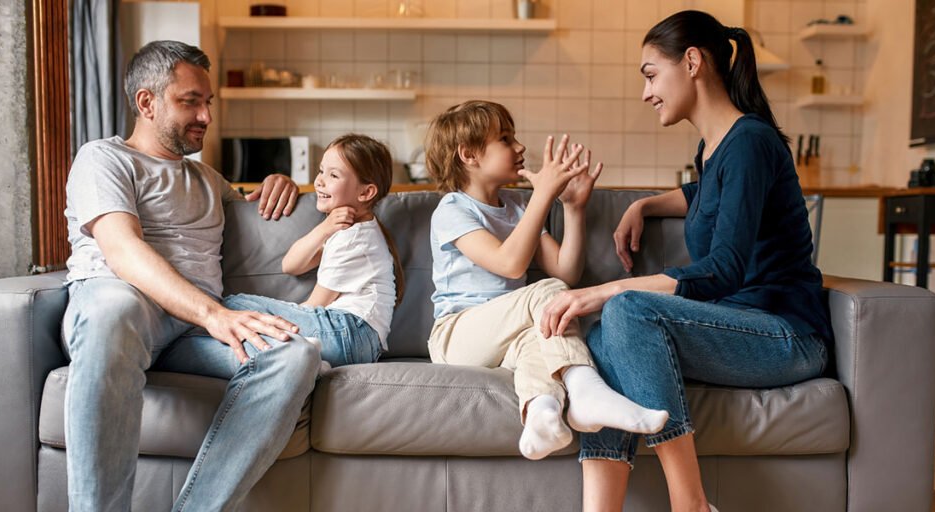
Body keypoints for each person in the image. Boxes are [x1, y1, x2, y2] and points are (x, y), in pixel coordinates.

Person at [540, 11, 832, 512]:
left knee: (628, 309)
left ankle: (691, 503)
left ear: (692, 61)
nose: (646, 92)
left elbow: (724, 270)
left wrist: (604, 290)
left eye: (651, 74)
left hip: (787, 333)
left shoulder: (751, 142)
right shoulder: (715, 149)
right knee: (605, 336)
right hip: (744, 324)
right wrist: (644, 205)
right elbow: (707, 191)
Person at [62, 40, 321, 511]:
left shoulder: (207, 180)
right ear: (147, 102)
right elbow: (123, 251)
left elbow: (253, 207)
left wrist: (280, 184)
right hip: (121, 307)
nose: (205, 116)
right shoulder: (102, 159)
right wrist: (215, 314)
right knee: (114, 307)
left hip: (188, 332)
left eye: (208, 103)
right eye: (190, 102)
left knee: (295, 354)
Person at [424, 100, 669, 462]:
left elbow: (565, 270)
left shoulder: (516, 207)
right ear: (469, 154)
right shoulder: (453, 209)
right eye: (506, 139)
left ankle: (542, 416)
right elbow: (509, 264)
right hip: (456, 336)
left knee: (544, 330)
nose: (520, 147)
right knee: (553, 297)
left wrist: (573, 208)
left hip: (504, 339)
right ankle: (585, 389)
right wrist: (542, 195)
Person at [224, 133, 404, 369]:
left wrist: (274, 322)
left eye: (333, 175)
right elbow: (290, 265)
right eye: (321, 171)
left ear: (365, 192)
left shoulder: (355, 239)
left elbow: (316, 304)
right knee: (243, 319)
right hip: (354, 338)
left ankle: (299, 355)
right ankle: (304, 359)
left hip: (348, 332)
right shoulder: (345, 230)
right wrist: (325, 228)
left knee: (234, 305)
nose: (319, 181)